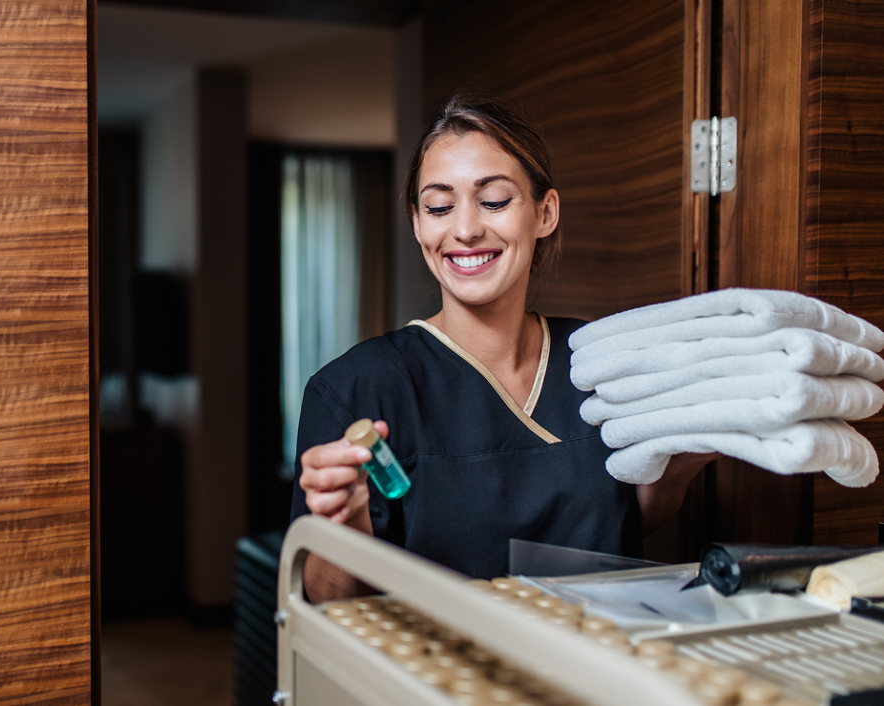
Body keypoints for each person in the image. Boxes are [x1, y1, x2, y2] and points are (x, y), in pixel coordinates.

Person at [290, 90, 718, 603]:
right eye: (440, 206)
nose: (466, 229)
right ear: (418, 224)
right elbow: (323, 603)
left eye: (493, 200)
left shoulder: (598, 357)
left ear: (545, 212)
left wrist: (680, 468)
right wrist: (345, 525)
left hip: (597, 663)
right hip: (437, 675)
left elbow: (622, 522)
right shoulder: (359, 388)